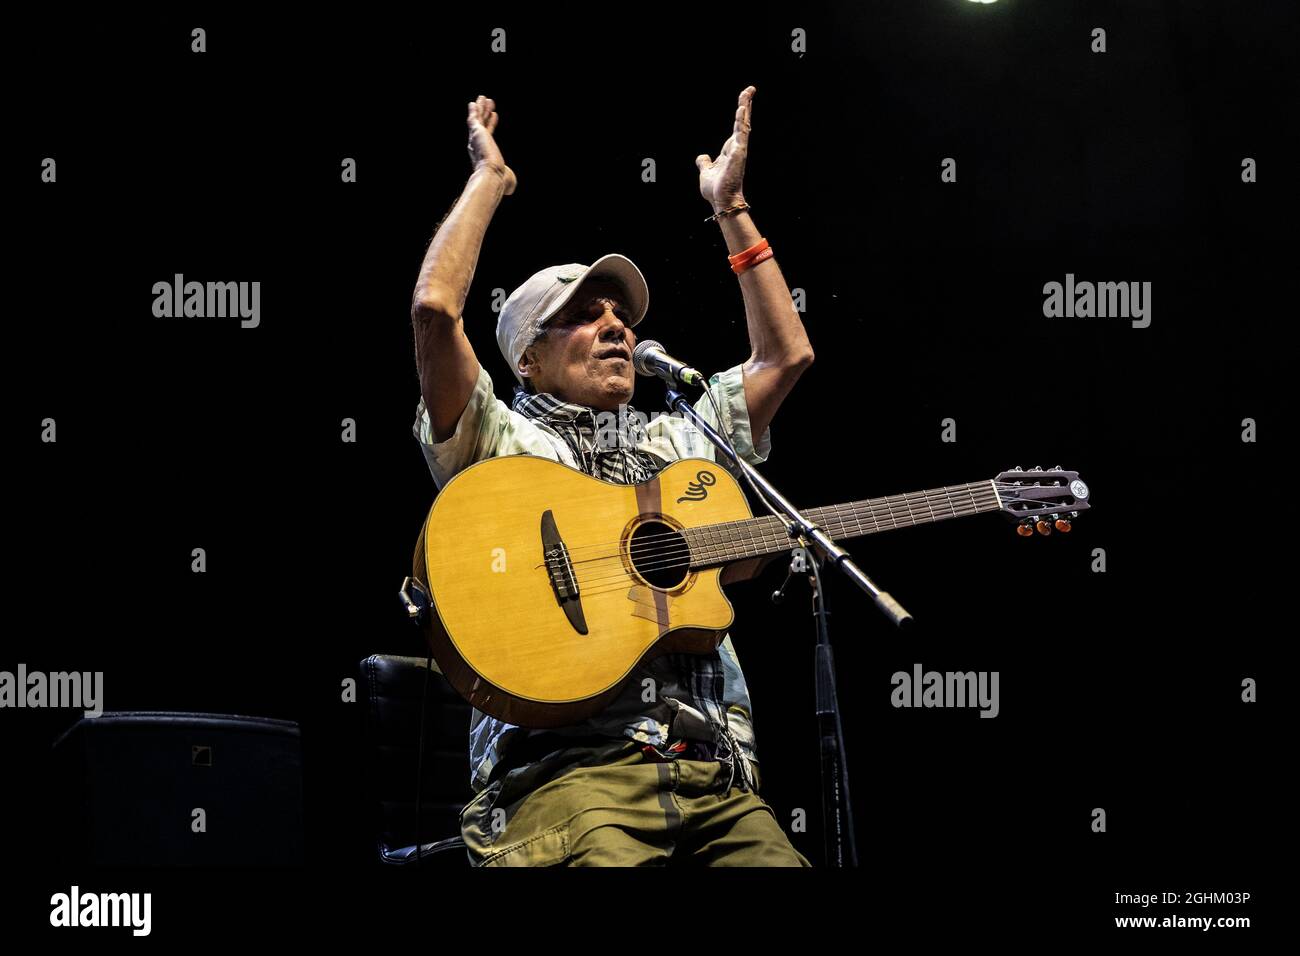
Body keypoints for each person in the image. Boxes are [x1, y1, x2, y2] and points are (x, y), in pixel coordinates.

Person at [410, 89, 814, 866]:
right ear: (527, 356)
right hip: (565, 773)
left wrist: (731, 209)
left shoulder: (682, 436)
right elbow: (434, 308)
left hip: (717, 778)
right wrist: (488, 181)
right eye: (585, 314)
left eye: (620, 313)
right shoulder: (498, 437)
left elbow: (783, 359)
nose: (617, 325)